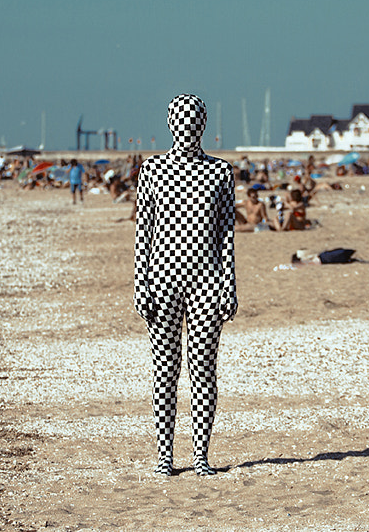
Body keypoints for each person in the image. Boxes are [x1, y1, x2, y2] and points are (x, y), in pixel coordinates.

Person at [133, 94, 236, 476]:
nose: (189, 128)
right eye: (182, 120)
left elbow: (227, 234)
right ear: (170, 122)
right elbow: (144, 232)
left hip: (208, 281)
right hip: (161, 280)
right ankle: (164, 455)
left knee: (204, 370)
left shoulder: (221, 172)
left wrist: (230, 285)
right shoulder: (152, 170)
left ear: (204, 124)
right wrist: (139, 283)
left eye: (196, 122)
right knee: (164, 371)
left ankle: (200, 457)